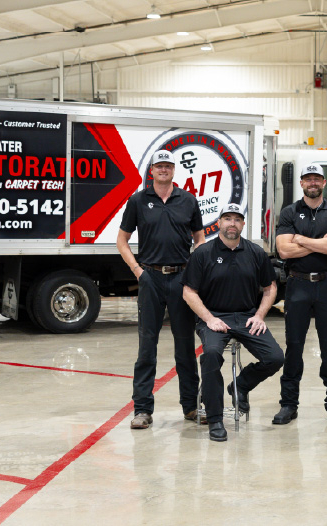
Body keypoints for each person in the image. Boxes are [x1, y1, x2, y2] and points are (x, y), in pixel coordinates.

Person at [182, 203, 285, 442]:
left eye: (237, 219)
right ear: (219, 223)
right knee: (211, 356)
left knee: (275, 357)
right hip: (215, 317)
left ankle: (240, 385)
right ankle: (216, 419)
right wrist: (209, 318)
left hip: (247, 316)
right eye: (227, 219)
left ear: (242, 224)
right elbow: (188, 292)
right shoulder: (203, 253)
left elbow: (270, 288)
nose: (232, 224)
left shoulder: (255, 252)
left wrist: (259, 316)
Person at [118, 149, 204, 430]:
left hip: (180, 279)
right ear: (151, 171)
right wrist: (138, 271)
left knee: (185, 348)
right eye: (159, 166)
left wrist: (195, 268)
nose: (164, 170)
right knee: (147, 348)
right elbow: (122, 240)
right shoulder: (139, 201)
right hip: (151, 279)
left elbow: (199, 237)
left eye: (168, 166)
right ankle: (142, 409)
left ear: (173, 170)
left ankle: (191, 407)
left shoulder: (188, 200)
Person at [273, 164, 327, 425]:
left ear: (324, 183)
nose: (312, 183)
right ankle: (288, 405)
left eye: (317, 179)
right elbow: (283, 251)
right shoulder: (289, 212)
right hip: (298, 286)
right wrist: (319, 244)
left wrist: (300, 239)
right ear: (302, 183)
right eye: (308, 179)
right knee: (294, 346)